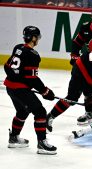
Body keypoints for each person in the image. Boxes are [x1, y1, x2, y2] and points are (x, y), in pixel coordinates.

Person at [3, 26, 57, 155]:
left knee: (22, 110)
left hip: (10, 87)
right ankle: (42, 143)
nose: (38, 39)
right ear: (33, 38)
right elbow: (32, 79)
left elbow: (6, 66)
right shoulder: (33, 55)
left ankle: (14, 138)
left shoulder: (17, 47)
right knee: (40, 112)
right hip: (19, 89)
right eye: (37, 37)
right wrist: (45, 92)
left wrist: (18, 79)